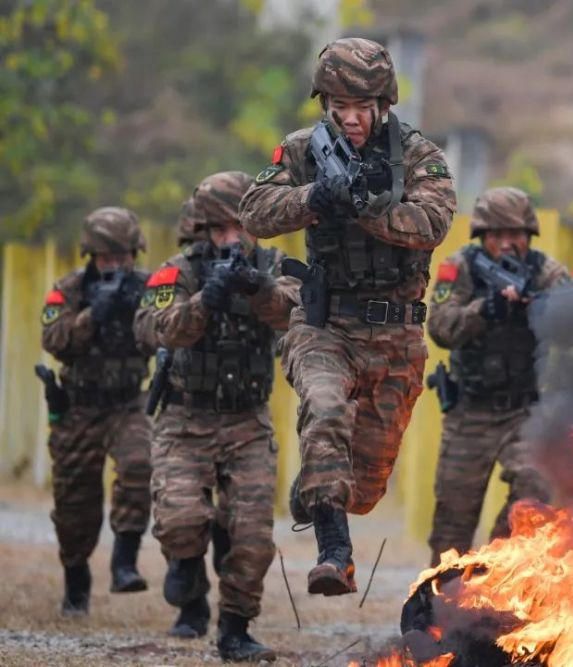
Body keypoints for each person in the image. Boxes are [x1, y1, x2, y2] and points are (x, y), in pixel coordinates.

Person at [239, 37, 456, 596]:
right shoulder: (302, 150)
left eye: (362, 107)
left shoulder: (418, 155)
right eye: (339, 107)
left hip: (396, 333)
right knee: (327, 406)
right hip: (325, 322)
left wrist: (363, 206)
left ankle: (321, 491)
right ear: (324, 103)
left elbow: (432, 223)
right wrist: (316, 197)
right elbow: (254, 212)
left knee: (363, 489)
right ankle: (335, 555)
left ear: (384, 104)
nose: (351, 119)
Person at [135, 171, 297, 662]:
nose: (232, 238)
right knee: (182, 518)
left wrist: (258, 288)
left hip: (247, 422)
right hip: (186, 419)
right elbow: (152, 327)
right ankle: (185, 567)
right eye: (221, 229)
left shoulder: (273, 266)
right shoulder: (177, 271)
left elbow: (298, 310)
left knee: (252, 536)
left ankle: (234, 631)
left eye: (240, 226)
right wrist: (205, 300)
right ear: (204, 230)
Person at [426, 187, 570, 565]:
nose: (507, 244)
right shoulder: (460, 267)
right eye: (496, 235)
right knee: (451, 524)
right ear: (482, 237)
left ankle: (491, 568)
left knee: (535, 493)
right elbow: (439, 326)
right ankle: (436, 609)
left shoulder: (547, 271)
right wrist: (484, 310)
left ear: (529, 236)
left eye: (516, 235)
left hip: (523, 412)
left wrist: (541, 309)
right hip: (469, 413)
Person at [40, 207, 153, 615]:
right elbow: (53, 340)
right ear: (91, 255)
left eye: (124, 257)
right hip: (80, 407)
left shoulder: (147, 286)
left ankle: (125, 560)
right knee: (74, 503)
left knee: (140, 465)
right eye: (108, 258)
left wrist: (139, 312)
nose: (117, 266)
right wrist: (94, 315)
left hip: (128, 402)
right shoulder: (69, 289)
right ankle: (76, 581)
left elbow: (170, 332)